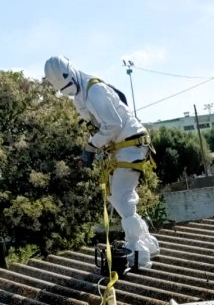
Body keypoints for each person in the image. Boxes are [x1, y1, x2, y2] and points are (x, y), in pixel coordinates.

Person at [43, 56, 160, 269]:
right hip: (123, 145)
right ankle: (146, 242)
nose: (66, 91)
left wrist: (91, 146)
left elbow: (114, 124)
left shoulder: (95, 91)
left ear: (72, 74)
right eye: (63, 90)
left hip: (131, 143)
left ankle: (138, 252)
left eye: (67, 86)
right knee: (120, 196)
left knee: (121, 196)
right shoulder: (81, 95)